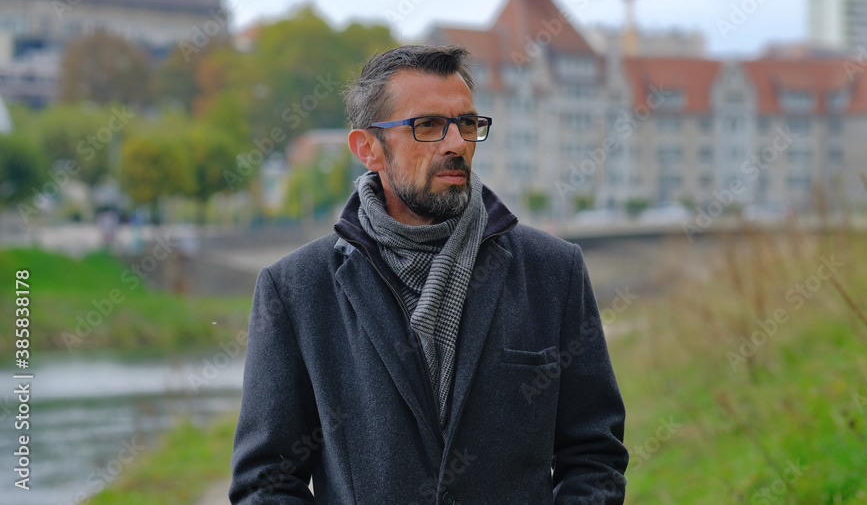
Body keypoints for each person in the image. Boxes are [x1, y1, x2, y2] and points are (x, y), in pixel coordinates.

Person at [229, 44, 628, 504]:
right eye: (429, 126)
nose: (457, 143)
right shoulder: (297, 290)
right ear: (368, 149)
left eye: (466, 124)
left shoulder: (552, 272)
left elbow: (594, 455)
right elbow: (266, 481)